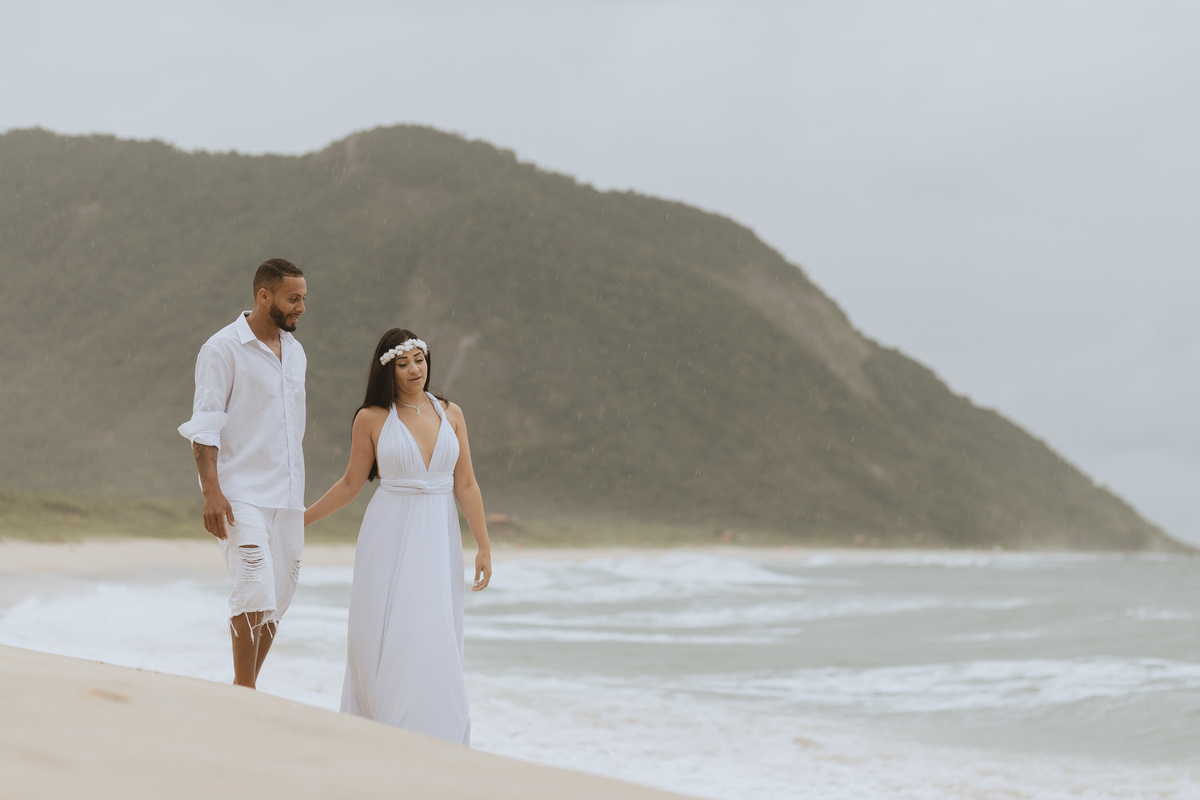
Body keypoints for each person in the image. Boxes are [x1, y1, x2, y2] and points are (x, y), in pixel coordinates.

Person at [304, 328, 492, 745]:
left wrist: (483, 545)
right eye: (403, 363)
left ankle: (434, 732)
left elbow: (466, 485)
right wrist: (301, 520)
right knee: (388, 630)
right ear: (387, 369)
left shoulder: (451, 413)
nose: (414, 370)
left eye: (419, 360)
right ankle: (386, 728)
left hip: (439, 538)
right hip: (389, 534)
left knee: (433, 629)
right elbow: (352, 484)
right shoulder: (371, 419)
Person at [177, 257, 308, 690]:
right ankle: (243, 689)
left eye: (304, 299)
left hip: (287, 495)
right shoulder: (221, 348)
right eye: (293, 299)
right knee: (254, 584)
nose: (300, 308)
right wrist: (211, 492)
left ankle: (245, 686)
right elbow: (206, 424)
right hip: (240, 492)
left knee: (278, 600)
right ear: (263, 295)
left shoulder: (295, 353)